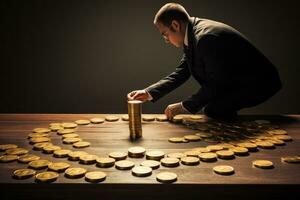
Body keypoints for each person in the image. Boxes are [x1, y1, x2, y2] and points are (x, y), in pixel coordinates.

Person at [127, 3, 282, 121]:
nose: (165, 40)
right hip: (236, 80)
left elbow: (216, 84)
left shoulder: (205, 39)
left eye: (165, 34)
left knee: (214, 109)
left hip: (261, 83)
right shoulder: (193, 34)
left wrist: (183, 107)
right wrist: (148, 93)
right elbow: (182, 73)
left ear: (175, 25)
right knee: (214, 108)